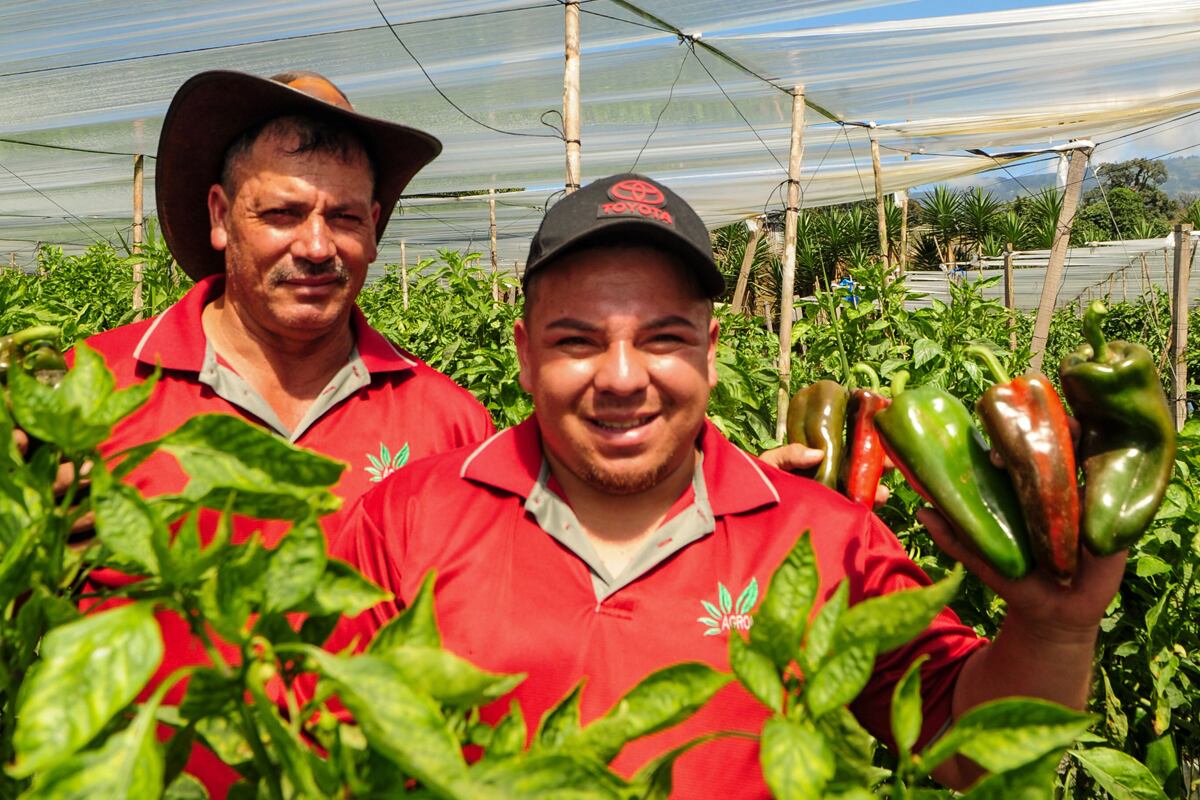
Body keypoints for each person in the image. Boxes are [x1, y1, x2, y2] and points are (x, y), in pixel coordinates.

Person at [331, 174, 1126, 796]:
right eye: (576, 341)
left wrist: (1055, 630)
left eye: (663, 339)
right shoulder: (407, 520)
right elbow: (322, 745)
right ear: (525, 354)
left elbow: (969, 749)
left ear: (710, 352)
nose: (622, 377)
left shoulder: (823, 539)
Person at [76, 70, 494, 794]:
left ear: (375, 228)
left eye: (345, 217)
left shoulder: (449, 421)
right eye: (282, 213)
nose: (317, 245)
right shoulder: (99, 389)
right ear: (220, 215)